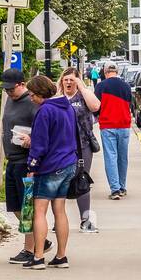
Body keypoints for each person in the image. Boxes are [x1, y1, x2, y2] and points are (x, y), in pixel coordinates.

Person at [19, 73, 78, 269]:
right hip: (68, 164)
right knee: (60, 211)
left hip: (49, 167)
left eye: (32, 94)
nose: (31, 98)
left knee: (39, 212)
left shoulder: (45, 111)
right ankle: (61, 256)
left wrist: (32, 166)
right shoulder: (66, 107)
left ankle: (38, 256)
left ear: (41, 93)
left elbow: (40, 144)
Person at [0, 68, 44, 263]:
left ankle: (30, 248)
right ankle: (41, 237)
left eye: (12, 89)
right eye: (6, 89)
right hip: (12, 159)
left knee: (27, 207)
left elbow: (43, 129)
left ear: (22, 84)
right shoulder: (10, 100)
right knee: (15, 205)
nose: (9, 93)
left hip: (26, 160)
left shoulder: (31, 102)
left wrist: (31, 138)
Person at [60, 67, 102, 233]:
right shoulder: (58, 97)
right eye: (66, 79)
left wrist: (82, 87)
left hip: (82, 145)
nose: (69, 82)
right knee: (60, 182)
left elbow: (95, 106)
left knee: (82, 181)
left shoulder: (82, 96)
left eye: (72, 79)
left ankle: (85, 220)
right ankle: (59, 221)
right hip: (61, 147)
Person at [93, 63, 134, 199]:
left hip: (107, 125)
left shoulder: (100, 87)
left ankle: (115, 189)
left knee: (111, 157)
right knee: (123, 158)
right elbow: (130, 105)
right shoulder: (126, 86)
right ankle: (122, 187)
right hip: (124, 125)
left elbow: (95, 107)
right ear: (117, 72)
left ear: (105, 72)